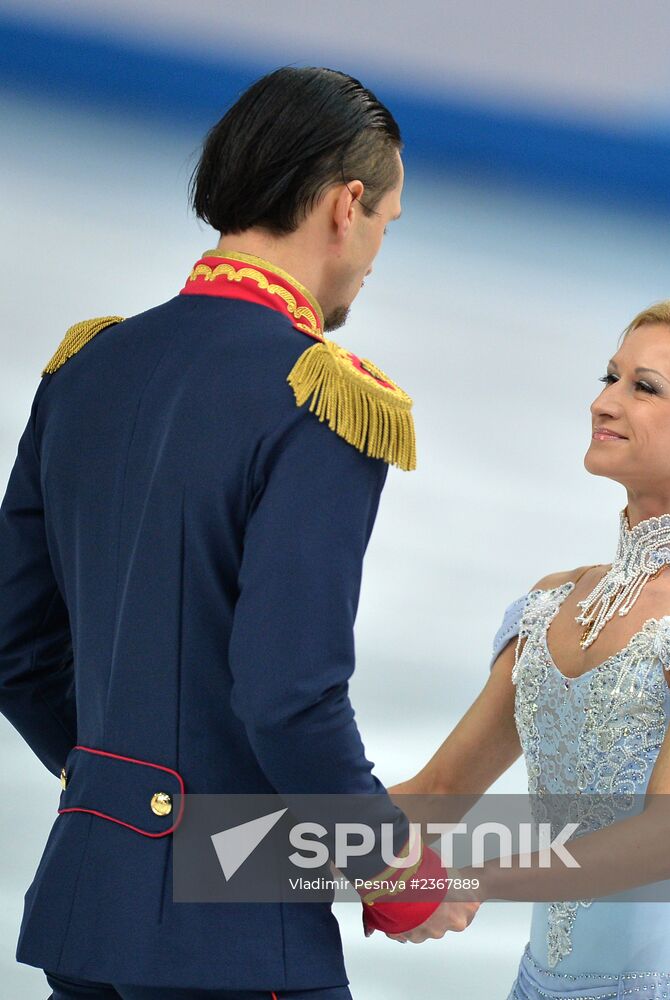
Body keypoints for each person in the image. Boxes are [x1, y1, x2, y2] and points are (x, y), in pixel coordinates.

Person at [0, 66, 476, 1000]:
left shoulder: (89, 366)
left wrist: (125, 799)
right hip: (232, 940)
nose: (378, 250)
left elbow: (15, 650)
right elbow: (287, 697)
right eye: (386, 220)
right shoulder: (320, 400)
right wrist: (392, 867)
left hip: (85, 908)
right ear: (346, 206)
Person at [387, 299, 670, 998]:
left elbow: (664, 843)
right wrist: (258, 836)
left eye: (642, 387)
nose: (604, 402)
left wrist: (472, 880)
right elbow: (437, 793)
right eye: (609, 377)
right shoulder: (551, 603)